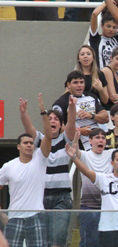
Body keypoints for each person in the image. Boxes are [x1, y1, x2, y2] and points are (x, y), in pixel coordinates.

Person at [14, 94, 75, 247]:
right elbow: (28, 128)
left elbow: (72, 123)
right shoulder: (39, 139)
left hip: (61, 197)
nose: (52, 121)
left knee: (59, 237)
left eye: (56, 119)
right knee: (40, 239)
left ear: (61, 125)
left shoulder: (65, 139)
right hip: (39, 196)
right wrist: (23, 113)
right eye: (49, 118)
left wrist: (72, 107)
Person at [0, 95, 56, 247]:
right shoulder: (8, 166)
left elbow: (49, 137)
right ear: (18, 146)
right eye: (25, 143)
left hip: (36, 216)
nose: (29, 145)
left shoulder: (40, 158)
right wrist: (1, 213)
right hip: (14, 217)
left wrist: (43, 112)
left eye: (31, 143)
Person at [52, 71, 110, 150]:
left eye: (81, 82)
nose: (79, 85)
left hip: (98, 142)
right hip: (77, 145)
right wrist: (79, 131)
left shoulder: (92, 97)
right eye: (75, 83)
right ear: (68, 85)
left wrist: (92, 115)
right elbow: (56, 128)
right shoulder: (61, 102)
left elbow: (106, 118)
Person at [75, 45, 110, 110]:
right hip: (79, 110)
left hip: (96, 110)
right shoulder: (74, 75)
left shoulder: (99, 74)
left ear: (93, 57)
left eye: (88, 54)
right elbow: (67, 95)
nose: (85, 56)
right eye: (82, 54)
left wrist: (100, 89)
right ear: (78, 59)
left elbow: (105, 100)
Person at [101, 46, 118, 111]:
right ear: (111, 58)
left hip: (112, 110)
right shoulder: (107, 70)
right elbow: (114, 97)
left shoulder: (116, 74)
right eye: (117, 59)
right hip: (105, 110)